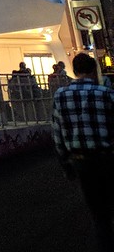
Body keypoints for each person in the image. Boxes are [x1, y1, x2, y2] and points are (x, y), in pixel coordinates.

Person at [51, 51, 114, 251]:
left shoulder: (60, 96)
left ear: (75, 71)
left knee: (98, 213)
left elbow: (57, 135)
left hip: (80, 161)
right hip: (108, 158)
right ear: (93, 70)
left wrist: (65, 164)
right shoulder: (105, 93)